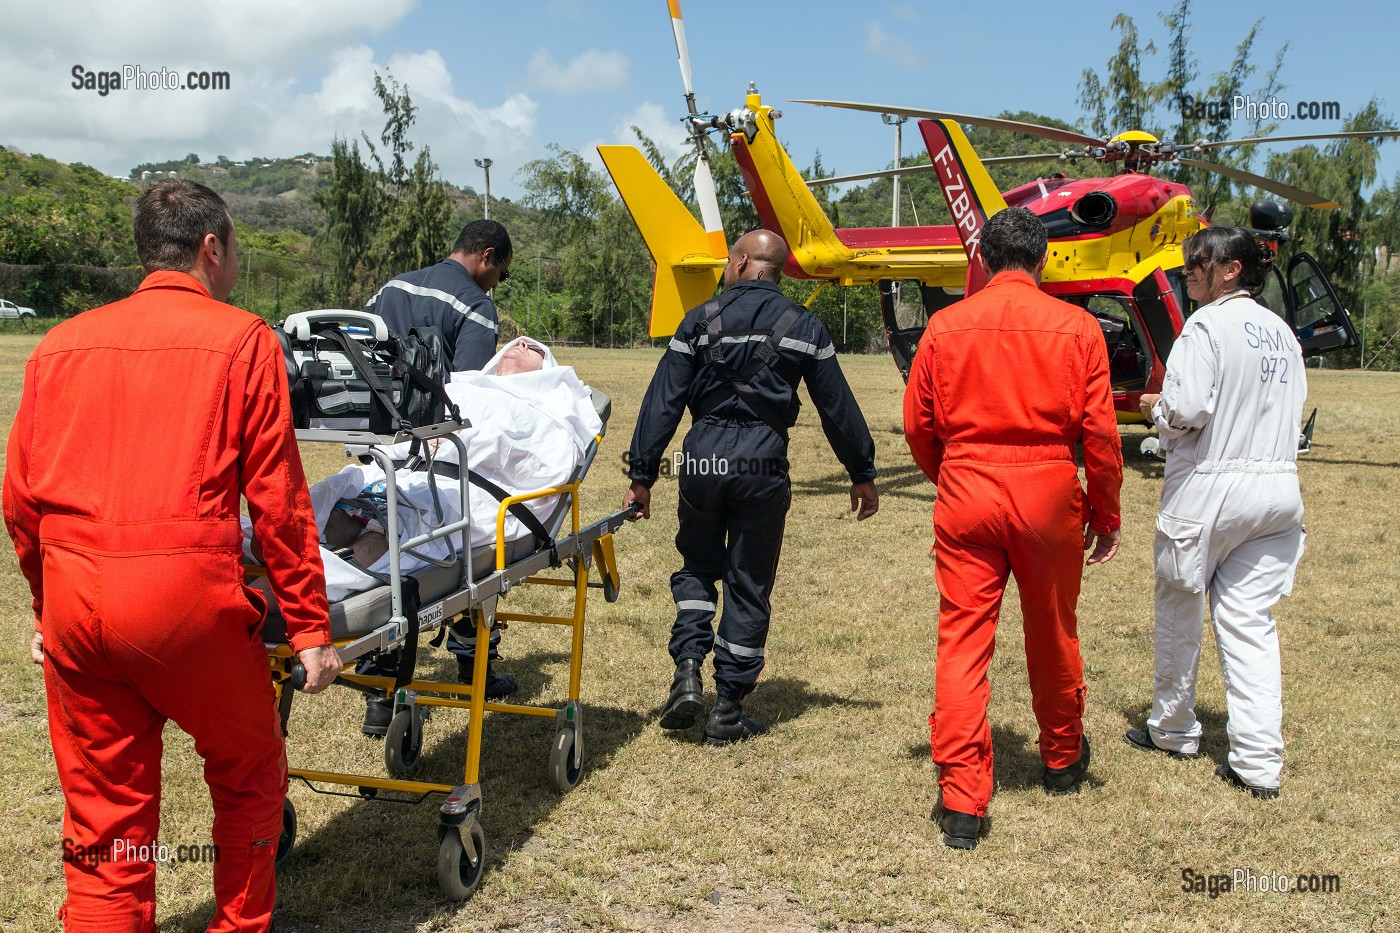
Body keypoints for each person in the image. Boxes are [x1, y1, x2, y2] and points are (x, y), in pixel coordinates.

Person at [3, 179, 340, 932]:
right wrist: (311, 628)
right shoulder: (244, 338)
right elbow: (277, 502)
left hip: (77, 599)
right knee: (251, 770)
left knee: (105, 821)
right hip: (186, 600)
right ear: (211, 247)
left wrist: (45, 608)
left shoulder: (57, 344)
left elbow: (21, 502)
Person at [903, 207, 1123, 850]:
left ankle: (964, 798)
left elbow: (918, 425)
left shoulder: (944, 327)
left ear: (983, 258)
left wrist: (949, 474)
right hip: (1049, 492)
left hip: (968, 488)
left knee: (963, 640)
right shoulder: (1080, 329)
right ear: (1044, 257)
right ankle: (1060, 758)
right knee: (1053, 630)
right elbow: (1103, 439)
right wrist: (1104, 514)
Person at [623, 229, 880, 747]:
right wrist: (861, 472)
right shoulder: (805, 326)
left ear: (741, 261)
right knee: (748, 578)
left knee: (698, 565)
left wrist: (642, 474)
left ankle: (689, 668)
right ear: (775, 269)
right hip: (762, 461)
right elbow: (837, 406)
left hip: (702, 456)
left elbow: (664, 399)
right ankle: (727, 709)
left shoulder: (698, 320)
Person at [1124, 226, 1307, 800]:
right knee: (1250, 621)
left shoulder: (1205, 326)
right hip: (1278, 490)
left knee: (1181, 606)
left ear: (1232, 269)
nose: (1188, 273)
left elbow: (1188, 409)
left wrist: (1157, 407)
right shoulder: (1282, 333)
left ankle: (1174, 728)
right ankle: (1257, 762)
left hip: (1211, 485)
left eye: (1197, 263)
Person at [360, 220, 517, 727]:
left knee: (383, 548)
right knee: (469, 556)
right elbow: (469, 393)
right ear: (487, 257)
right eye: (501, 274)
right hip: (433, 455)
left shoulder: (392, 286)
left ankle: (379, 682)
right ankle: (475, 663)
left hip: (376, 447)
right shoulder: (475, 305)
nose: (496, 284)